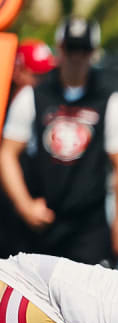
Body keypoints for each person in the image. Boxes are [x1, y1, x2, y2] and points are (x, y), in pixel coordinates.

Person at [0, 17, 118, 266]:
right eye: (71, 49)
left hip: (88, 227)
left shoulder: (107, 100)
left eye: (84, 50)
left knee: (88, 300)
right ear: (60, 49)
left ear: (93, 53)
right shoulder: (35, 95)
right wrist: (24, 204)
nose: (76, 58)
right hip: (42, 222)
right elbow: (7, 154)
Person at [0, 40, 56, 259]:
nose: (43, 83)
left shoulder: (48, 109)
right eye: (37, 76)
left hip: (31, 219)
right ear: (17, 72)